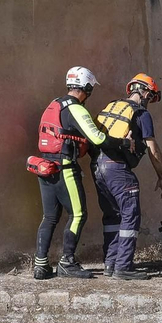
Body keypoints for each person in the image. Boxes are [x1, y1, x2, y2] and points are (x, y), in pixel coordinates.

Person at [33, 66, 109, 280]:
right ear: (86, 87)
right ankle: (67, 262)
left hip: (45, 167)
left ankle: (40, 265)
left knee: (49, 217)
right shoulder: (76, 108)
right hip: (65, 169)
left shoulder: (54, 104)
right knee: (78, 214)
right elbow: (97, 138)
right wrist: (122, 143)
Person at [91, 73, 162, 279]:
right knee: (130, 214)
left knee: (112, 216)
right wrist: (161, 175)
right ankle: (123, 266)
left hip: (97, 166)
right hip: (117, 169)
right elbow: (152, 148)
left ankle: (110, 264)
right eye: (151, 97)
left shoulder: (112, 107)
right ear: (146, 93)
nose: (150, 101)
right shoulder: (141, 114)